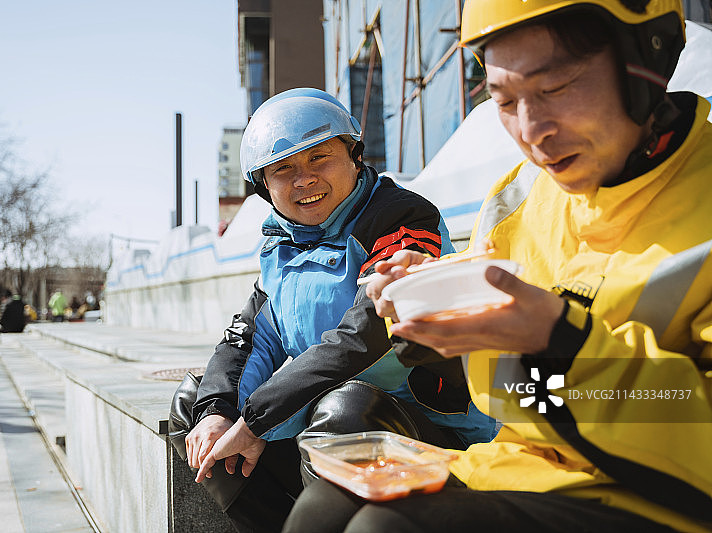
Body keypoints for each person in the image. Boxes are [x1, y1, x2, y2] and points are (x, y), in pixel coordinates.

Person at [283, 1, 712, 532]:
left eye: (555, 87)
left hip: (658, 495)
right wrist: (428, 306)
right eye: (504, 101)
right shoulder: (523, 197)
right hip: (528, 469)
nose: (532, 130)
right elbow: (482, 377)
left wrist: (559, 343)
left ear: (645, 59)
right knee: (321, 510)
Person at [176, 88, 497, 532]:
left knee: (350, 408)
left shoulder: (402, 219)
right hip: (328, 429)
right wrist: (218, 411)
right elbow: (249, 338)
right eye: (283, 169)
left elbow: (367, 334)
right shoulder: (280, 244)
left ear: (354, 155)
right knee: (195, 406)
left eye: (319, 158)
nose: (303, 180)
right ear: (264, 186)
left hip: (436, 438)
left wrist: (255, 421)